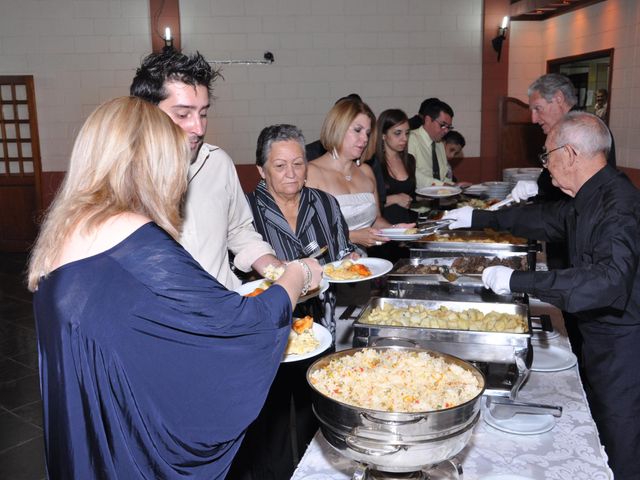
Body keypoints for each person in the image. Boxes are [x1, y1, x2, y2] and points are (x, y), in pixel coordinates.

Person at [26, 97, 323, 479]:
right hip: (128, 451)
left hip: (84, 439)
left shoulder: (68, 232)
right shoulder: (132, 237)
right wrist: (295, 276)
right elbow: (236, 325)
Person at [443, 111, 640, 479]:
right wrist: (479, 219)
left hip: (625, 346)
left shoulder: (619, 205)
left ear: (570, 153)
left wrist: (516, 281)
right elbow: (545, 220)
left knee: (620, 443)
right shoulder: (593, 194)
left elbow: (607, 282)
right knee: (602, 434)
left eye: (547, 155)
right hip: (604, 339)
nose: (546, 167)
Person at [230, 124, 356, 480]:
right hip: (265, 332)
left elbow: (344, 260)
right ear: (261, 170)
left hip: (318, 330)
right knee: (267, 426)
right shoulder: (243, 211)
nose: (291, 174)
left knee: (313, 416)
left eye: (298, 164)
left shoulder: (325, 203)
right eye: (280, 165)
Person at [130, 50, 281, 289]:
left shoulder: (218, 163)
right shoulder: (122, 179)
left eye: (203, 113)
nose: (198, 128)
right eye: (183, 114)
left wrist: (273, 267)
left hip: (225, 309)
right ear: (146, 114)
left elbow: (238, 229)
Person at [305, 97, 405, 248]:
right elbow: (305, 232)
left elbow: (375, 219)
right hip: (327, 266)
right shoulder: (311, 173)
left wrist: (394, 230)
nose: (364, 138)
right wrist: (353, 237)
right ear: (337, 128)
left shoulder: (366, 172)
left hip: (363, 266)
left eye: (368, 133)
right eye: (357, 130)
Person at [520, 73, 617, 202]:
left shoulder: (584, 129)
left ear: (559, 98)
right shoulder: (562, 131)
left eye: (538, 108)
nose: (534, 119)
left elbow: (580, 193)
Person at [374, 108, 417, 224]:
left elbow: (410, 196)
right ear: (383, 135)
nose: (404, 138)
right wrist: (394, 199)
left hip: (407, 227)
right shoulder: (372, 163)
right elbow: (365, 204)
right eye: (398, 133)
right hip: (383, 229)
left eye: (407, 133)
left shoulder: (410, 160)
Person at [408, 97, 456, 188]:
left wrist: (454, 186)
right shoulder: (411, 139)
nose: (446, 131)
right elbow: (411, 173)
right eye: (443, 125)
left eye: (449, 127)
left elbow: (443, 175)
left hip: (438, 198)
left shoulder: (439, 144)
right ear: (427, 120)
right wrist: (442, 185)